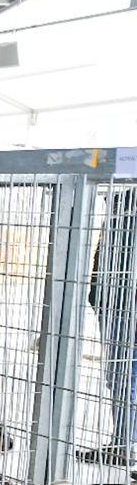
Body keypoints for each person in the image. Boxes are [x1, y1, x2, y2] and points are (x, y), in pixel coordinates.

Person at [80, 187, 137, 467]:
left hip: (123, 304)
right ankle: (125, 442)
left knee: (123, 374)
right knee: (123, 374)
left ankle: (124, 444)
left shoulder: (126, 203)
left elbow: (112, 259)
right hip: (114, 299)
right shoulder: (122, 199)